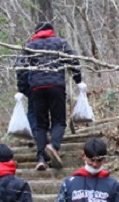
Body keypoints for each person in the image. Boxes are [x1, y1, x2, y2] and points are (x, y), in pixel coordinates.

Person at [16, 22, 83, 171]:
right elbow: (74, 61)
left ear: (36, 33)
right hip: (56, 86)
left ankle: (41, 158)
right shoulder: (60, 43)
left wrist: (23, 89)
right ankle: (53, 146)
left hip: (36, 89)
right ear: (52, 31)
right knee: (59, 121)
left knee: (41, 125)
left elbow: (20, 68)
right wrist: (78, 80)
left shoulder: (30, 47)